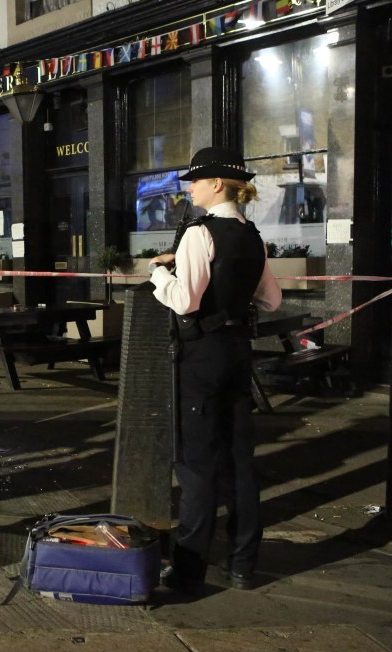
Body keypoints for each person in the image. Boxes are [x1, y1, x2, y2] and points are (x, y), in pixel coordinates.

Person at [147, 146, 282, 593]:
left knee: (196, 464)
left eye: (195, 180)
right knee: (239, 461)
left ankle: (188, 570)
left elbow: (186, 300)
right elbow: (271, 301)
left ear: (217, 184)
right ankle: (244, 563)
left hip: (201, 355)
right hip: (238, 353)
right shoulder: (253, 235)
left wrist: (158, 276)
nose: (190, 187)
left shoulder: (197, 233)